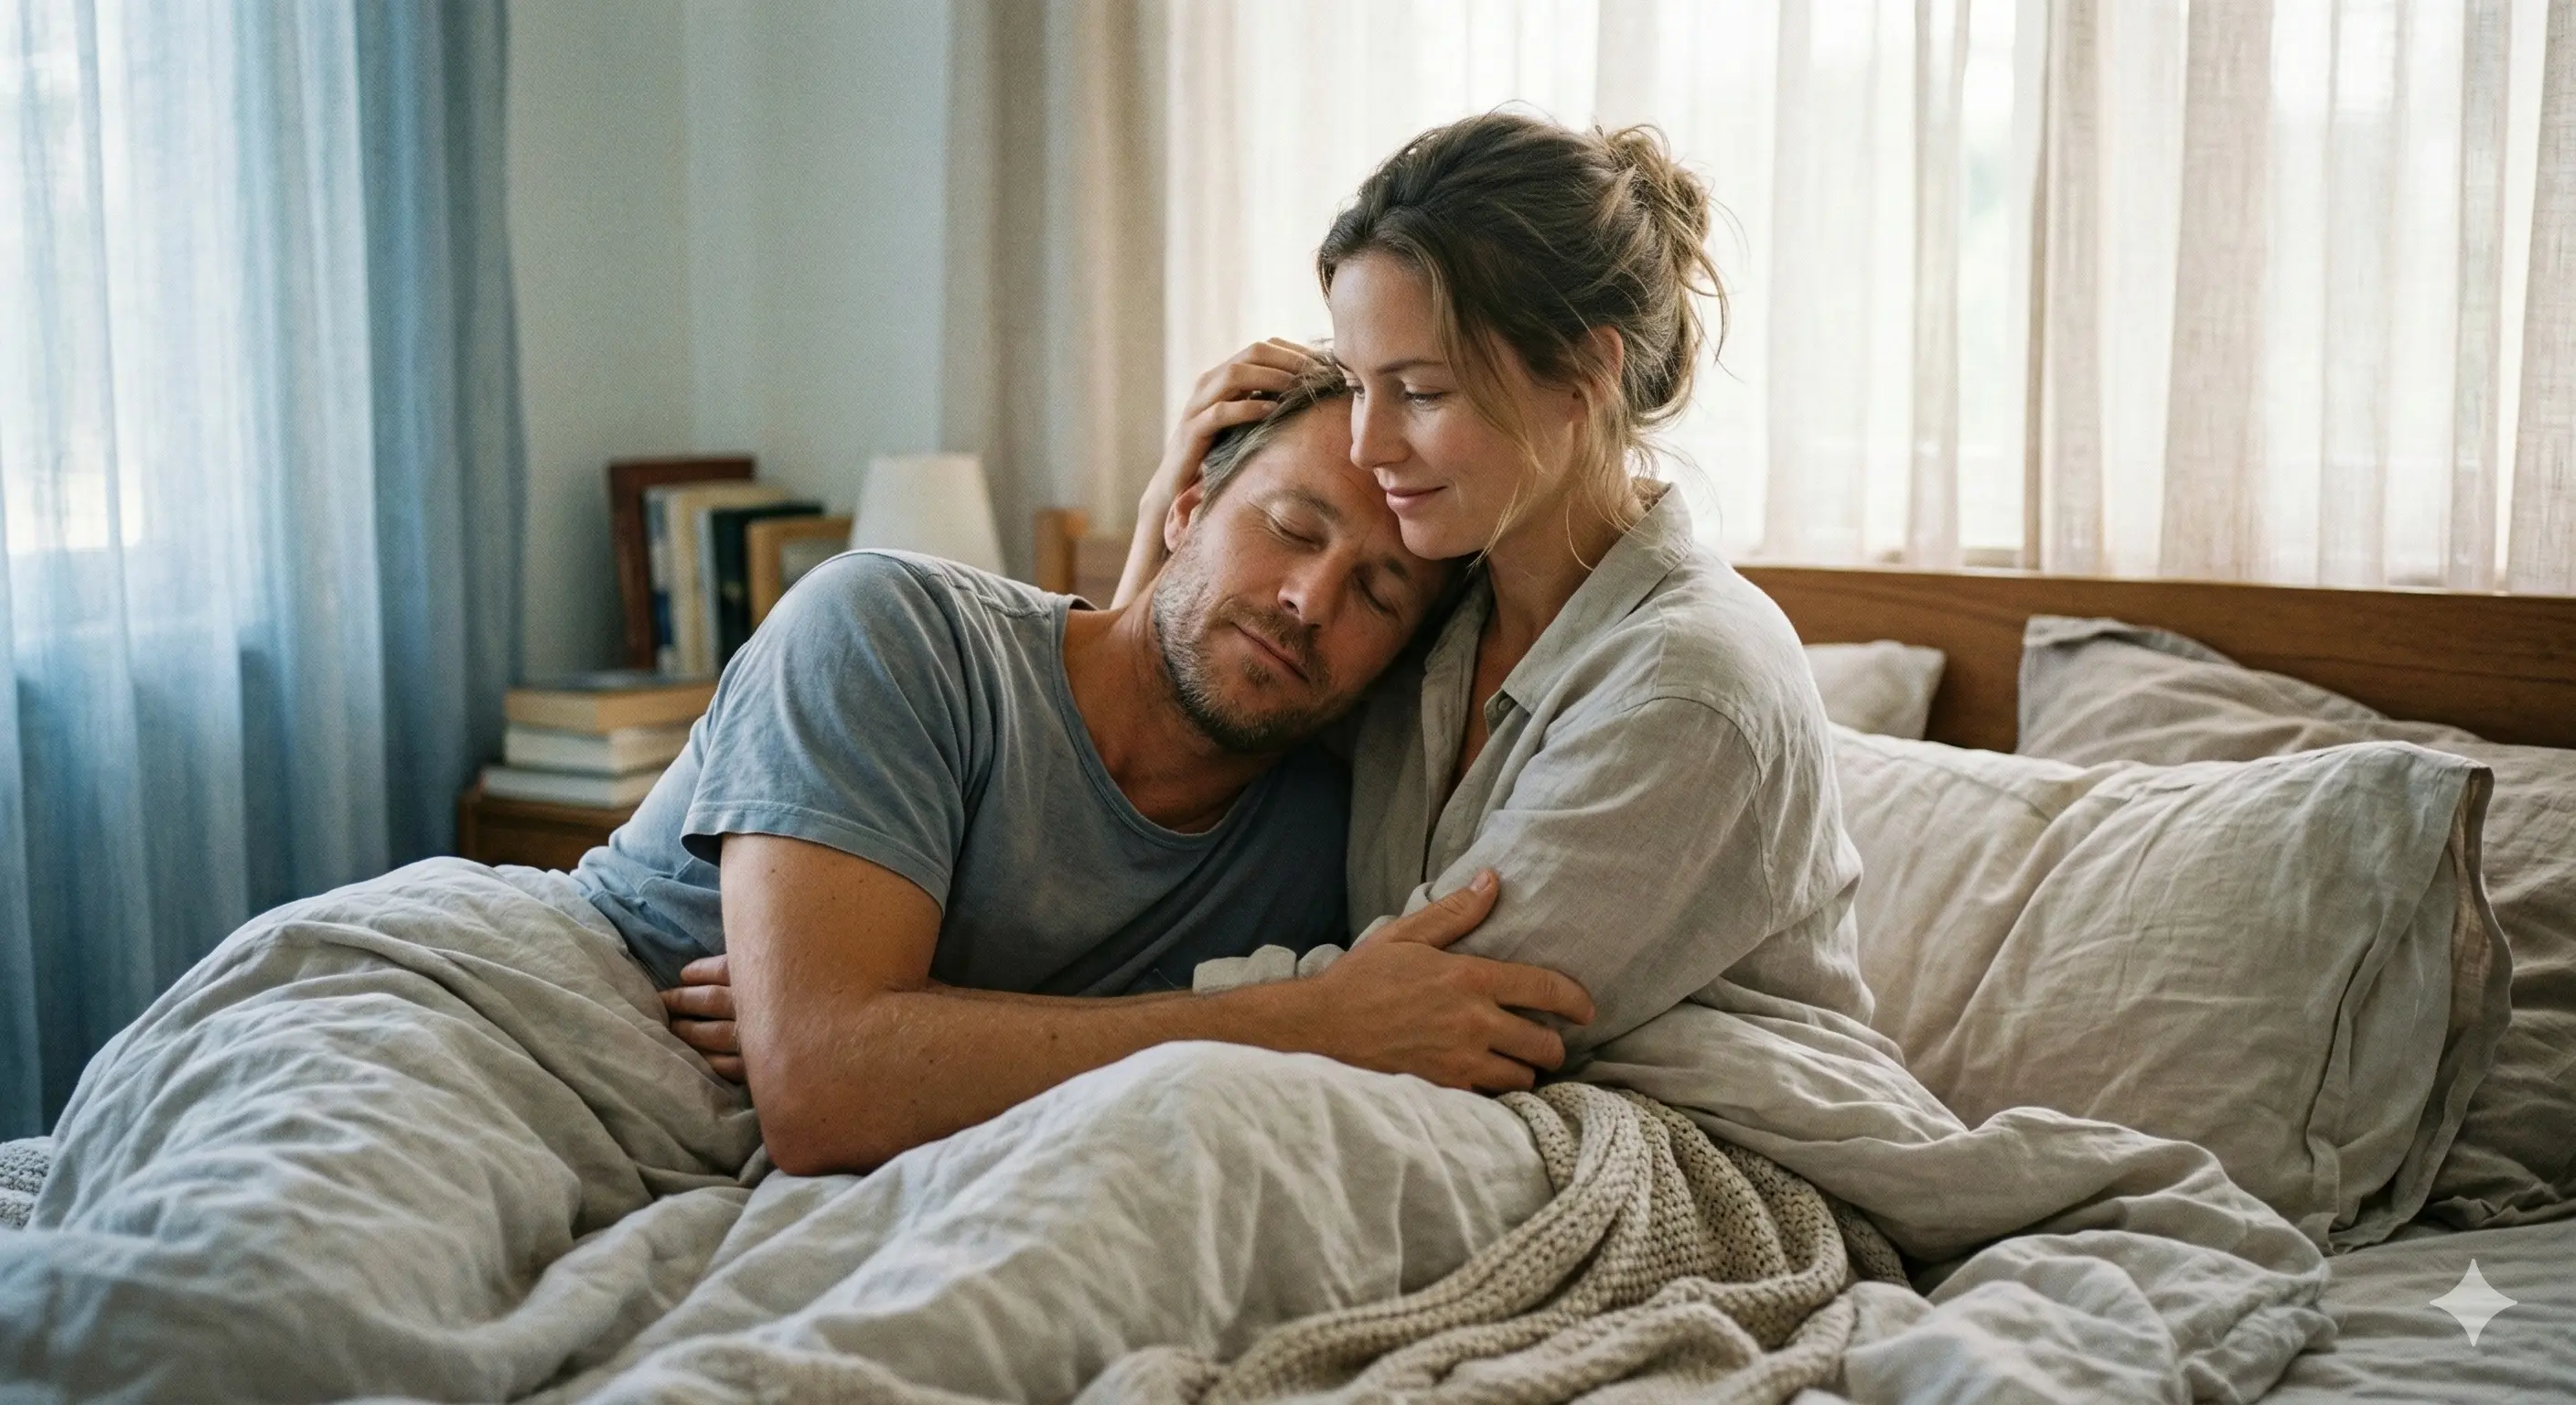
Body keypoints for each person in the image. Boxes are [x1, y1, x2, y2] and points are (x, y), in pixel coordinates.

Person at [612, 358, 1594, 1174]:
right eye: (1290, 528)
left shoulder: (1314, 856)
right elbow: (828, 1093)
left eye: (1379, 595)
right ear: (1184, 508)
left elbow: (846, 1068)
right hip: (561, 1020)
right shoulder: (886, 630)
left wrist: (885, 1036)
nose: (1308, 598)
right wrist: (1311, 1024)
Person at [1118, 112, 1869, 1049]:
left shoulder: (1691, 682)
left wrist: (1062, 1035)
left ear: (1582, 376)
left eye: (1422, 392)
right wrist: (1169, 516)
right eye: (1354, 384)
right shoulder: (1413, 612)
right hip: (1425, 1102)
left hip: (1707, 1132)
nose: (1366, 445)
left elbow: (1450, 1003)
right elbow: (1154, 768)